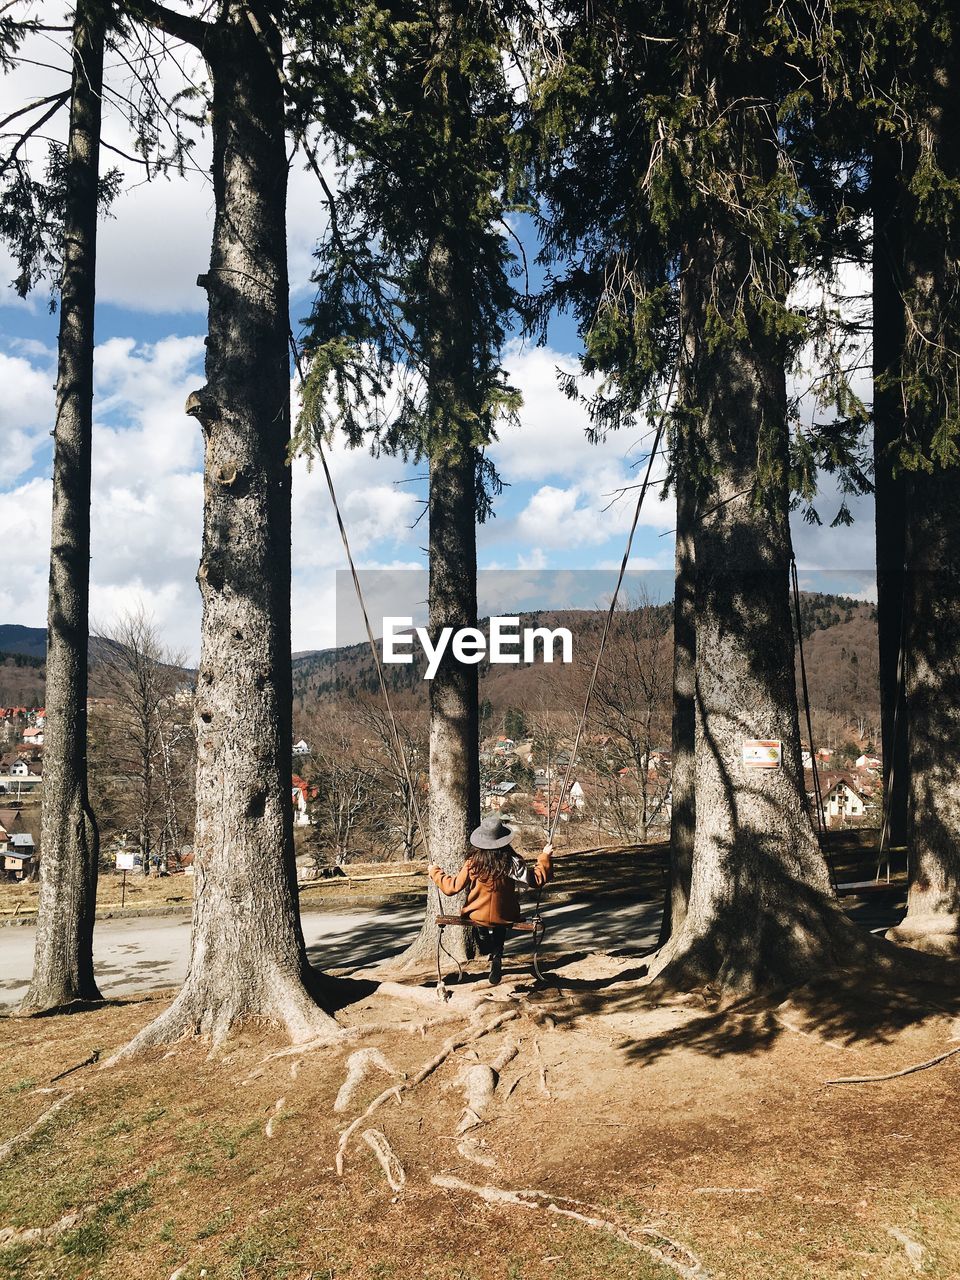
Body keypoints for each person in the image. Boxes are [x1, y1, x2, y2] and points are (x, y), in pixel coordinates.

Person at [427, 815, 553, 985]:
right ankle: (497, 956)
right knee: (501, 922)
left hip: (476, 914)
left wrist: (435, 871)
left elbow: (452, 887)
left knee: (483, 922)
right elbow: (536, 880)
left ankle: (485, 940)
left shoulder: (473, 863)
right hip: (506, 914)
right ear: (504, 840)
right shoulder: (512, 862)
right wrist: (544, 856)